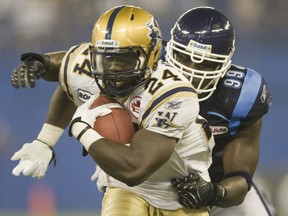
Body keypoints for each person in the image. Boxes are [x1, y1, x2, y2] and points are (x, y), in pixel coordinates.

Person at [11, 5, 216, 216]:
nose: (114, 68)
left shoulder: (173, 93)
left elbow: (135, 169)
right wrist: (37, 63)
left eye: (125, 58)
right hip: (126, 189)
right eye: (107, 58)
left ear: (151, 55)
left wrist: (83, 130)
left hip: (179, 191)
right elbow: (65, 73)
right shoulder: (90, 68)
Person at [164, 6, 274, 216]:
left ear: (224, 64)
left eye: (205, 64)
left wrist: (213, 193)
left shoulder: (243, 95)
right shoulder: (146, 71)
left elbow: (240, 177)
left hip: (217, 188)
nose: (191, 72)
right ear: (170, 51)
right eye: (184, 57)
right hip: (150, 188)